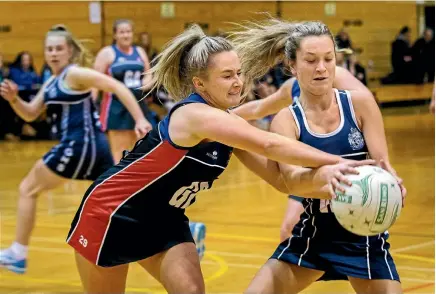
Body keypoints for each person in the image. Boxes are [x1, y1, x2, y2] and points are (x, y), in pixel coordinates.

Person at [66, 24, 371, 294]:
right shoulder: (195, 116)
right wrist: (335, 161)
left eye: (239, 73)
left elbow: (280, 180)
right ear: (200, 84)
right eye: (227, 76)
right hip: (112, 214)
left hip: (164, 218)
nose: (238, 82)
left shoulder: (227, 125)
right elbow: (269, 143)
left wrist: (343, 183)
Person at [232, 19, 406, 293]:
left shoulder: (359, 103)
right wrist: (328, 175)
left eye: (328, 59)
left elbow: (382, 166)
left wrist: (392, 184)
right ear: (292, 66)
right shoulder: (286, 119)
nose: (322, 68)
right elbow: (291, 182)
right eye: (311, 60)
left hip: (364, 238)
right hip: (314, 235)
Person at [0, 24, 150, 274]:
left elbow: (118, 87)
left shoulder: (75, 74)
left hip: (77, 146)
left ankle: (18, 253)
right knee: (115, 205)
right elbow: (30, 114)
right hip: (96, 149)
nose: (53, 53)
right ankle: (169, 239)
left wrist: (140, 118)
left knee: (28, 188)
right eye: (49, 49)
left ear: (70, 51)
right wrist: (14, 99)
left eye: (59, 48)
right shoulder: (51, 82)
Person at [95, 19, 154, 163]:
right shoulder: (107, 53)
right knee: (120, 152)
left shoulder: (139, 51)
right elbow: (95, 82)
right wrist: (91, 105)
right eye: (122, 32)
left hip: (139, 104)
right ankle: (118, 181)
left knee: (142, 148)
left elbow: (148, 74)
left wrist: (145, 84)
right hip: (116, 108)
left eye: (128, 32)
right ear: (115, 35)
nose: (126, 35)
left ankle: (140, 182)